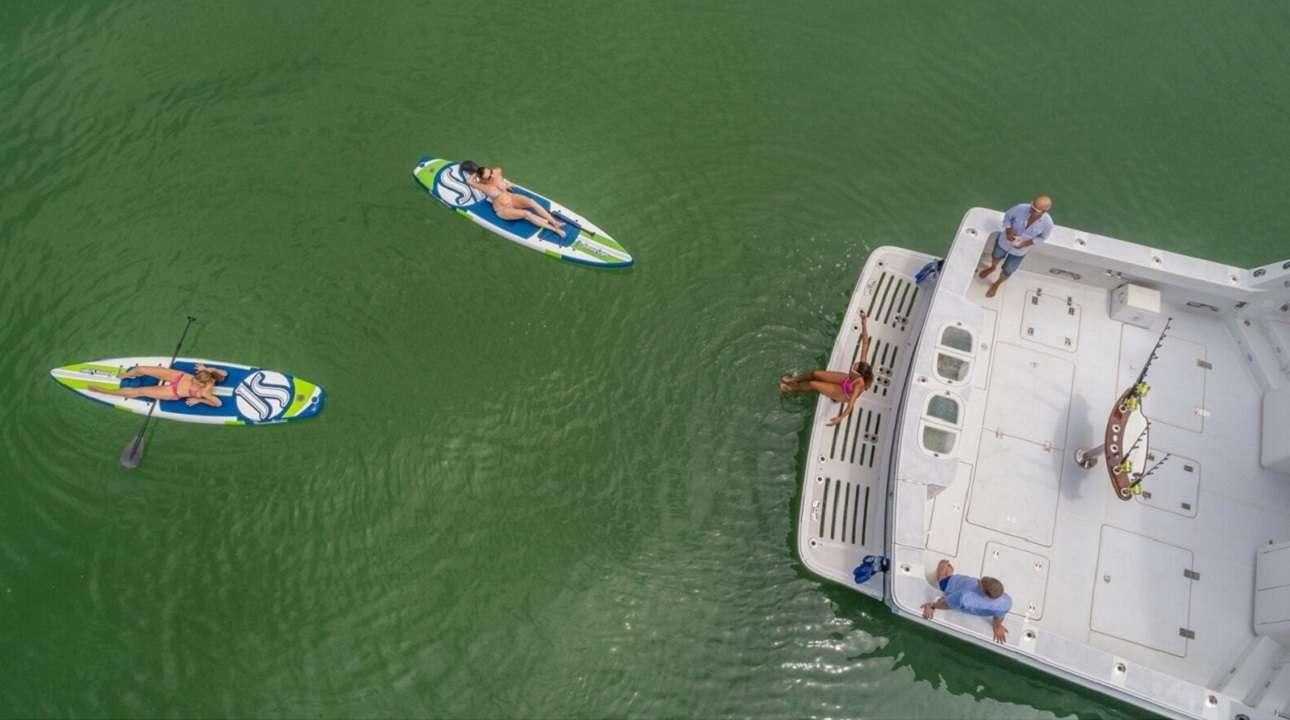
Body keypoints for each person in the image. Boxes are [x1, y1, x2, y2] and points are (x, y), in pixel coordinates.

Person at [779, 312, 873, 426]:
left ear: (859, 375)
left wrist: (840, 418)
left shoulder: (859, 385)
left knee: (813, 384)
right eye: (855, 365)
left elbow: (850, 406)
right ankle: (793, 379)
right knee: (815, 373)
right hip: (846, 380)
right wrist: (863, 322)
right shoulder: (863, 365)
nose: (853, 366)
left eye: (854, 369)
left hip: (844, 393)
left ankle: (791, 389)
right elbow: (865, 343)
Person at [460, 161, 567, 238]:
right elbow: (469, 182)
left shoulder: (497, 171)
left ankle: (554, 222)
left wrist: (506, 183)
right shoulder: (482, 185)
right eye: (488, 176)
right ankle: (555, 229)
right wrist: (475, 173)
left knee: (531, 202)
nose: (492, 176)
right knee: (527, 214)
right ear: (482, 178)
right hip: (503, 209)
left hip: (511, 198)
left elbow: (499, 177)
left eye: (491, 172)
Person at [978, 195, 1054, 298]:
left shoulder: (1048, 224)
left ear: (1044, 212)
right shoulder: (1020, 208)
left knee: (1008, 270)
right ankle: (992, 267)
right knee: (996, 255)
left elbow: (1042, 238)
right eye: (1032, 206)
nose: (1031, 210)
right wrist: (1008, 230)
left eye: (1035, 210)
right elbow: (1008, 217)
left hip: (1020, 251)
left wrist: (1026, 243)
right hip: (1004, 241)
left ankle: (997, 284)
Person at [921, 559, 1012, 644]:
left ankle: (947, 571)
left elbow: (946, 604)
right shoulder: (1006, 602)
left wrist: (933, 606)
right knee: (941, 584)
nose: (980, 580)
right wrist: (997, 626)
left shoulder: (966, 598)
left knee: (947, 584)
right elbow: (946, 603)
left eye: (981, 582)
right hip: (951, 584)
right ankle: (943, 572)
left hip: (959, 583)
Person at [91, 363, 227, 407]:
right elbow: (224, 373)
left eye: (196, 382)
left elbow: (218, 403)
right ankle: (125, 375)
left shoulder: (205, 392)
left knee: (141, 391)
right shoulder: (208, 375)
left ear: (203, 385)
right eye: (194, 378)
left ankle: (105, 391)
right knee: (141, 369)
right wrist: (207, 368)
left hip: (174, 391)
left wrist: (198, 400)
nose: (194, 380)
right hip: (178, 376)